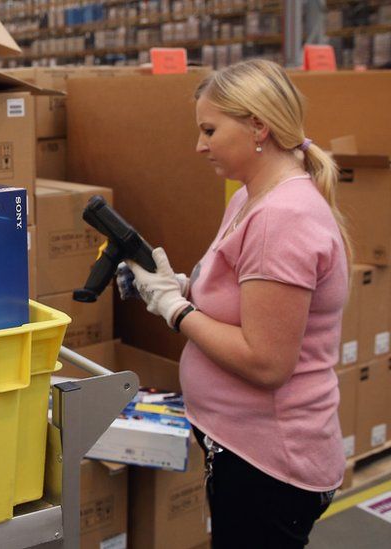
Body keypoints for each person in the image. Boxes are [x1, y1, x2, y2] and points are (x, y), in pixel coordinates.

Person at [121, 59, 350, 548]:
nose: (199, 145)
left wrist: (175, 310)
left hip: (269, 463)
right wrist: (175, 286)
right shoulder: (249, 199)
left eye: (209, 130)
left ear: (258, 127)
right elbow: (247, 302)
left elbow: (266, 362)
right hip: (242, 447)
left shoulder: (281, 218)